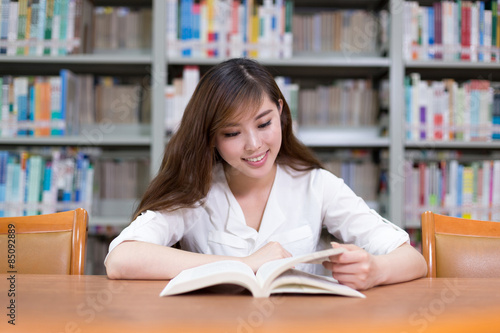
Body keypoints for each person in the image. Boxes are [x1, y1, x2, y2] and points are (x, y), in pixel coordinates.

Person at [105, 58, 427, 290]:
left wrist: (376, 270)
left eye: (264, 124)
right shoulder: (197, 191)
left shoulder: (316, 185)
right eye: (232, 133)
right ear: (211, 138)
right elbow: (121, 259)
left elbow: (413, 260)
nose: (254, 145)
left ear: (281, 112)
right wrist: (244, 266)